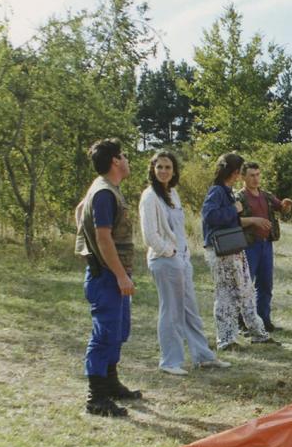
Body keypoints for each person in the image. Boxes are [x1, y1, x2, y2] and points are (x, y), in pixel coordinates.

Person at [139, 151, 231, 376]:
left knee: (190, 310)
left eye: (168, 167)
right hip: (164, 260)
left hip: (181, 260)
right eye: (159, 167)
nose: (163, 171)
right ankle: (170, 361)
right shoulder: (149, 197)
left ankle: (203, 356)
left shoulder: (172, 193)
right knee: (171, 311)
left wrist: (183, 253)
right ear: (152, 169)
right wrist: (169, 251)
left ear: (174, 171)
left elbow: (178, 229)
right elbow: (149, 235)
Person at [75, 138, 141, 417]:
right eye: (124, 156)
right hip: (106, 277)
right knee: (104, 335)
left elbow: (80, 210)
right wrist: (120, 276)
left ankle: (111, 383)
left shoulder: (105, 188)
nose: (127, 160)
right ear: (115, 161)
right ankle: (96, 398)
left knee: (118, 331)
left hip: (112, 275)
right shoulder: (104, 193)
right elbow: (103, 238)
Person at [201, 152, 275, 350]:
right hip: (221, 250)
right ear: (233, 172)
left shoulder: (227, 191)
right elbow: (209, 216)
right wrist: (233, 209)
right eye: (238, 171)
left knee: (246, 291)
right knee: (226, 295)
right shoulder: (217, 191)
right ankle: (226, 340)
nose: (239, 175)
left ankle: (258, 333)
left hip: (233, 247)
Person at [236, 161, 292, 332]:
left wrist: (286, 205)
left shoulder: (266, 195)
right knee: (245, 285)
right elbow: (233, 221)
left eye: (257, 175)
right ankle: (243, 323)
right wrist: (254, 221)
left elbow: (281, 209)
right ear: (243, 177)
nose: (255, 179)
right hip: (248, 245)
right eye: (251, 175)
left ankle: (264, 320)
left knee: (265, 285)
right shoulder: (239, 197)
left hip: (266, 244)